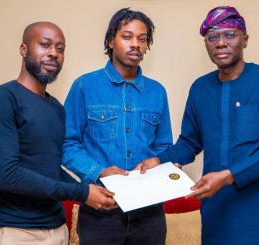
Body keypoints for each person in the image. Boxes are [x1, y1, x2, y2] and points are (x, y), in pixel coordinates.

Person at [138, 6, 259, 245]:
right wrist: (158, 161)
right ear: (206, 44)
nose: (221, 42)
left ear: (246, 39)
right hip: (218, 213)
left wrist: (228, 176)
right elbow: (189, 143)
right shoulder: (200, 88)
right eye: (213, 37)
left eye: (230, 34)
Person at [0, 21, 117, 245]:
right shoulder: (3, 98)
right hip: (15, 230)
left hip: (56, 228)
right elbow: (7, 176)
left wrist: (96, 186)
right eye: (45, 45)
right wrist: (82, 193)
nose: (53, 53)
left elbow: (51, 169)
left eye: (60, 48)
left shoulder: (55, 108)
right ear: (23, 50)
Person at [62, 8, 172, 245]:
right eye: (127, 36)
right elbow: (67, 144)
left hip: (150, 213)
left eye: (142, 39)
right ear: (111, 41)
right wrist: (98, 171)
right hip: (101, 209)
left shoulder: (157, 92)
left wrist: (158, 162)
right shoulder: (84, 87)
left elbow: (164, 146)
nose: (136, 44)